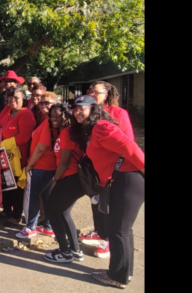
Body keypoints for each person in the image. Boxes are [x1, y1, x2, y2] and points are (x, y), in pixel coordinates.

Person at [70, 95, 144, 289]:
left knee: (119, 230)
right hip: (120, 180)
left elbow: (131, 148)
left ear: (93, 109)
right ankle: (121, 274)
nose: (76, 111)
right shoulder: (93, 130)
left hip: (127, 180)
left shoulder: (102, 126)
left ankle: (117, 277)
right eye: (74, 108)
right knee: (121, 229)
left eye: (81, 107)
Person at [79, 80, 135, 258]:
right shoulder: (89, 112)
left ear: (107, 95)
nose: (91, 93)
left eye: (95, 92)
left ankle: (109, 241)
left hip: (113, 169)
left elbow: (128, 141)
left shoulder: (118, 113)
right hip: (93, 166)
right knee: (96, 200)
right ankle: (100, 230)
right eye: (90, 91)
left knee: (111, 205)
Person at [42, 103, 85, 263]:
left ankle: (65, 252)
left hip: (70, 178)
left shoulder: (68, 133)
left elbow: (64, 162)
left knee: (52, 211)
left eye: (57, 115)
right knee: (64, 213)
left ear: (67, 115)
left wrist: (55, 181)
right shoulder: (64, 132)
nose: (54, 118)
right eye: (52, 116)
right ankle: (75, 250)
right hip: (71, 179)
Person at [15, 92, 59, 239]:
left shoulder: (48, 123)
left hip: (42, 165)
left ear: (56, 103)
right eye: (41, 103)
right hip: (46, 166)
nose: (44, 106)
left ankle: (30, 227)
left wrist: (30, 164)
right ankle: (47, 226)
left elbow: (41, 147)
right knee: (45, 197)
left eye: (47, 103)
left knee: (34, 196)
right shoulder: (48, 121)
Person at [0, 85, 36, 226]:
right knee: (5, 184)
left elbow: (24, 137)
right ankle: (6, 210)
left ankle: (17, 215)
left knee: (16, 187)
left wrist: (4, 143)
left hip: (18, 157)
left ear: (23, 99)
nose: (13, 101)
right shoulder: (6, 110)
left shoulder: (26, 114)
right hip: (4, 155)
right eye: (10, 98)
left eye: (16, 98)